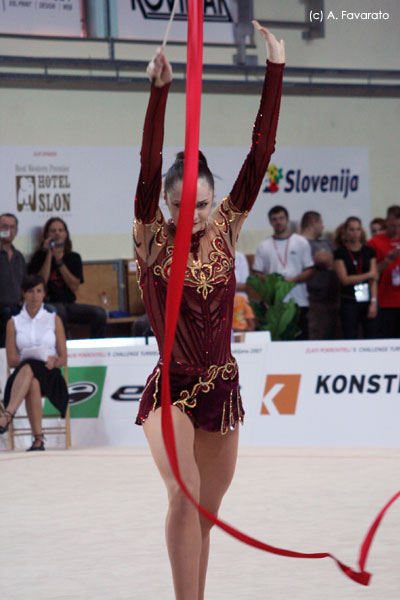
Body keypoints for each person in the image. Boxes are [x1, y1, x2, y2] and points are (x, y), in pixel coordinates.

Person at [133, 22, 285, 600]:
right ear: (165, 201)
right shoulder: (151, 234)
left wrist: (275, 69)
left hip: (222, 387)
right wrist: (160, 92)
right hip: (171, 388)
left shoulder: (226, 223)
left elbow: (262, 151)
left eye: (199, 204)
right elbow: (148, 166)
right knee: (184, 493)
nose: (190, 215)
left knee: (207, 514)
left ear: (212, 198)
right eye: (179, 204)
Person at [0, 274, 68, 450]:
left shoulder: (53, 319)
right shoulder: (13, 322)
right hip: (24, 374)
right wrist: (28, 357)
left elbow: (63, 358)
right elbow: (12, 360)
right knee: (31, 378)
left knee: (31, 370)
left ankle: (7, 415)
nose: (35, 296)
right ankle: (38, 440)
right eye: (30, 291)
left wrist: (55, 360)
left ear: (44, 293)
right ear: (23, 293)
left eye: (39, 291)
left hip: (50, 373)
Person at [28, 217, 106, 339]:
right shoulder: (39, 257)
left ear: (66, 234)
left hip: (69, 304)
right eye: (53, 231)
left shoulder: (74, 257)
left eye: (60, 230)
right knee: (58, 311)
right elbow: (40, 283)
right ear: (47, 235)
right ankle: (65, 348)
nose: (57, 233)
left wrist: (59, 262)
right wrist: (49, 254)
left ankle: (97, 349)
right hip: (47, 305)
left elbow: (74, 286)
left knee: (99, 313)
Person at [252, 205, 315, 339]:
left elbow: (310, 270)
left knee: (300, 340)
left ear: (287, 220)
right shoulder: (264, 245)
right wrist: (273, 282)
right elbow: (257, 273)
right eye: (274, 219)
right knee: (278, 342)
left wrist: (292, 281)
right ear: (270, 222)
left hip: (299, 300)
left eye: (281, 218)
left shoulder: (301, 242)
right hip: (275, 303)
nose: (278, 222)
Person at [334, 216, 378, 339]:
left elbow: (373, 279)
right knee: (350, 335)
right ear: (346, 232)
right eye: (352, 230)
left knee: (371, 334)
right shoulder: (340, 253)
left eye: (358, 229)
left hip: (367, 299)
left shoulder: (369, 251)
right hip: (349, 301)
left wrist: (374, 301)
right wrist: (368, 274)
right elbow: (345, 279)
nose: (355, 233)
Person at [301, 211, 340, 339]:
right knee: (316, 336)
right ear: (313, 222)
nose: (323, 227)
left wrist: (326, 260)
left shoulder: (326, 243)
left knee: (333, 335)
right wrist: (323, 260)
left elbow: (335, 260)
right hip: (312, 300)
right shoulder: (300, 242)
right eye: (321, 223)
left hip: (332, 298)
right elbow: (322, 259)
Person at [368, 205, 400, 337]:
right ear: (386, 222)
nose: (396, 229)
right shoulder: (375, 243)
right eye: (393, 225)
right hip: (386, 301)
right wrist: (387, 261)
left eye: (399, 226)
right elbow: (371, 273)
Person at [0, 213, 26, 347]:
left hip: (18, 307)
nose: (8, 230)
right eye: (4, 226)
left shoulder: (19, 257)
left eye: (12, 227)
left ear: (16, 231)